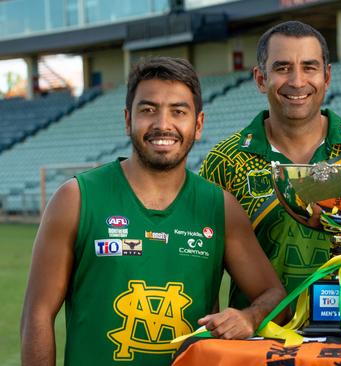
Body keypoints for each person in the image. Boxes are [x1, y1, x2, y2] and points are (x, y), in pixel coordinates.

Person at [21, 57, 286, 366]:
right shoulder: (76, 198)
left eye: (178, 111)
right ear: (127, 120)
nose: (163, 124)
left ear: (198, 124)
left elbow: (274, 295)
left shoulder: (220, 208)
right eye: (148, 110)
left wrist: (250, 316)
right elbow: (37, 314)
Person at [200, 21, 341, 322]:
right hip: (261, 345)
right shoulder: (224, 161)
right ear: (261, 79)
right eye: (282, 67)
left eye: (309, 67)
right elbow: (207, 275)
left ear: (327, 76)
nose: (297, 81)